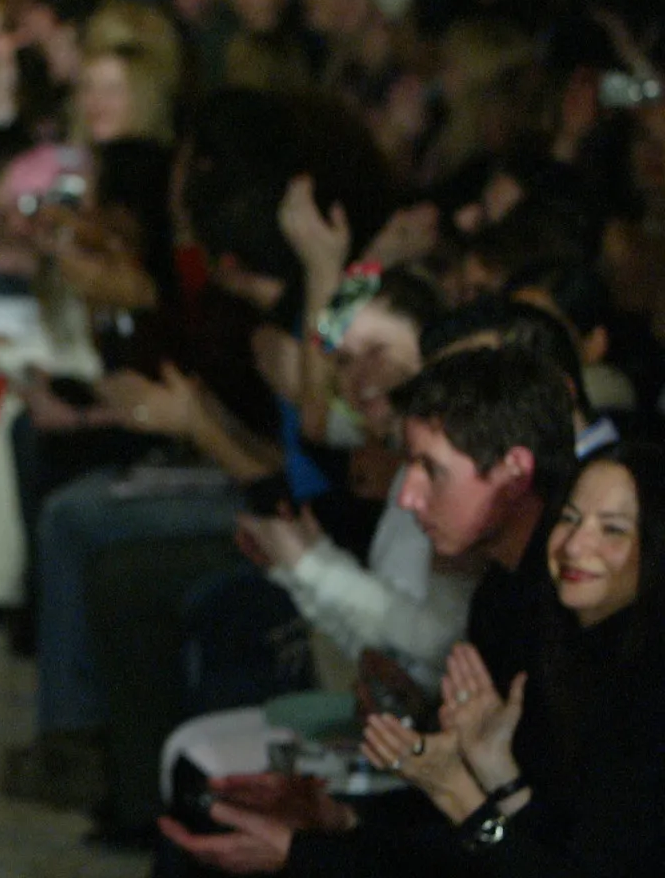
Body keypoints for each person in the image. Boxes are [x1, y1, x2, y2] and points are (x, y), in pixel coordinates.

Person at [159, 345, 578, 875]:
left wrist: (309, 851)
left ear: (514, 472)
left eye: (431, 470)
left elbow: (532, 841)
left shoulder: (566, 612)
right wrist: (341, 816)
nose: (407, 497)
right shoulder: (502, 593)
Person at [360, 440, 665, 876]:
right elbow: (566, 846)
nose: (574, 545)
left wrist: (456, 792)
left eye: (613, 529)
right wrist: (496, 768)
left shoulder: (649, 686)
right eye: (569, 519)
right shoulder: (578, 646)